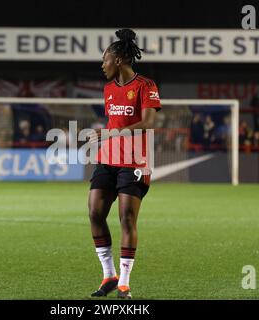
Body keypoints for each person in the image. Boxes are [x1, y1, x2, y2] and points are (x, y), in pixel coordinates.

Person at [87, 28, 161, 299]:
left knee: (126, 219)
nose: (102, 64)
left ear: (117, 60)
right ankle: (109, 275)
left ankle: (125, 284)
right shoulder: (108, 90)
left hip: (135, 162)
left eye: (104, 59)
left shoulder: (146, 86)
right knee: (95, 213)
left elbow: (148, 124)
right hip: (107, 159)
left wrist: (108, 133)